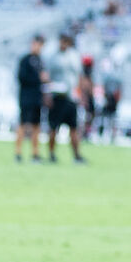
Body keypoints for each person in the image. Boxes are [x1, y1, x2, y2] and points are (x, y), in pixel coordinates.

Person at [44, 34, 87, 164]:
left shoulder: (74, 56)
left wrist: (81, 95)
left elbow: (79, 76)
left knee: (74, 128)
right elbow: (47, 77)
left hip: (71, 97)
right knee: (53, 128)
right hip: (57, 96)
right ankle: (51, 154)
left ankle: (77, 155)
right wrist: (47, 95)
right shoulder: (52, 57)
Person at [14, 35, 47, 163]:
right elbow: (22, 78)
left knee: (36, 125)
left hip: (37, 98)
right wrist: (39, 79)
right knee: (23, 124)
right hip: (26, 97)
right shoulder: (25, 60)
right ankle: (18, 152)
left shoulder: (40, 61)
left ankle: (35, 153)